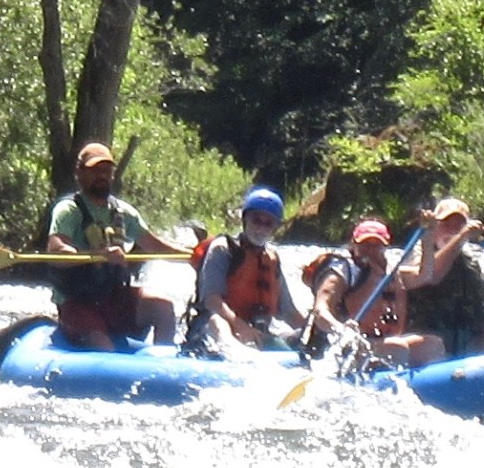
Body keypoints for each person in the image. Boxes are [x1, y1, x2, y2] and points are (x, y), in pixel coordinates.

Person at [45, 141, 190, 351]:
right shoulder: (68, 210)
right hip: (77, 303)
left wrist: (192, 256)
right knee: (105, 348)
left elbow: (154, 245)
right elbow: (56, 250)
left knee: (163, 308)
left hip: (114, 298)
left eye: (106, 170)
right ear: (79, 173)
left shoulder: (122, 212)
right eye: (95, 170)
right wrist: (98, 255)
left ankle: (163, 365)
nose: (101, 175)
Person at [398, 196, 484, 358]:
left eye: (459, 226)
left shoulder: (470, 265)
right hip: (430, 340)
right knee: (432, 346)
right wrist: (461, 236)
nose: (452, 231)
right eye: (446, 225)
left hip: (465, 341)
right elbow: (431, 275)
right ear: (434, 228)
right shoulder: (421, 255)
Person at [306, 219, 445, 368]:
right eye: (365, 245)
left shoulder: (392, 272)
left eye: (376, 245)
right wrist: (341, 330)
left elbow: (425, 275)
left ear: (385, 246)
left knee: (432, 345)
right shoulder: (344, 271)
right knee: (397, 348)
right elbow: (320, 309)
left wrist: (427, 237)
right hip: (347, 347)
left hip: (380, 343)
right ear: (354, 244)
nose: (370, 250)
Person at [185, 185, 308, 352]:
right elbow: (212, 301)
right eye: (256, 220)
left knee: (300, 335)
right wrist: (239, 326)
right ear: (245, 220)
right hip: (212, 329)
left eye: (268, 223)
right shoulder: (223, 248)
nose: (261, 228)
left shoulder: (272, 259)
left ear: (275, 227)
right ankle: (238, 357)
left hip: (256, 334)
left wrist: (312, 330)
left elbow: (290, 313)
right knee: (217, 322)